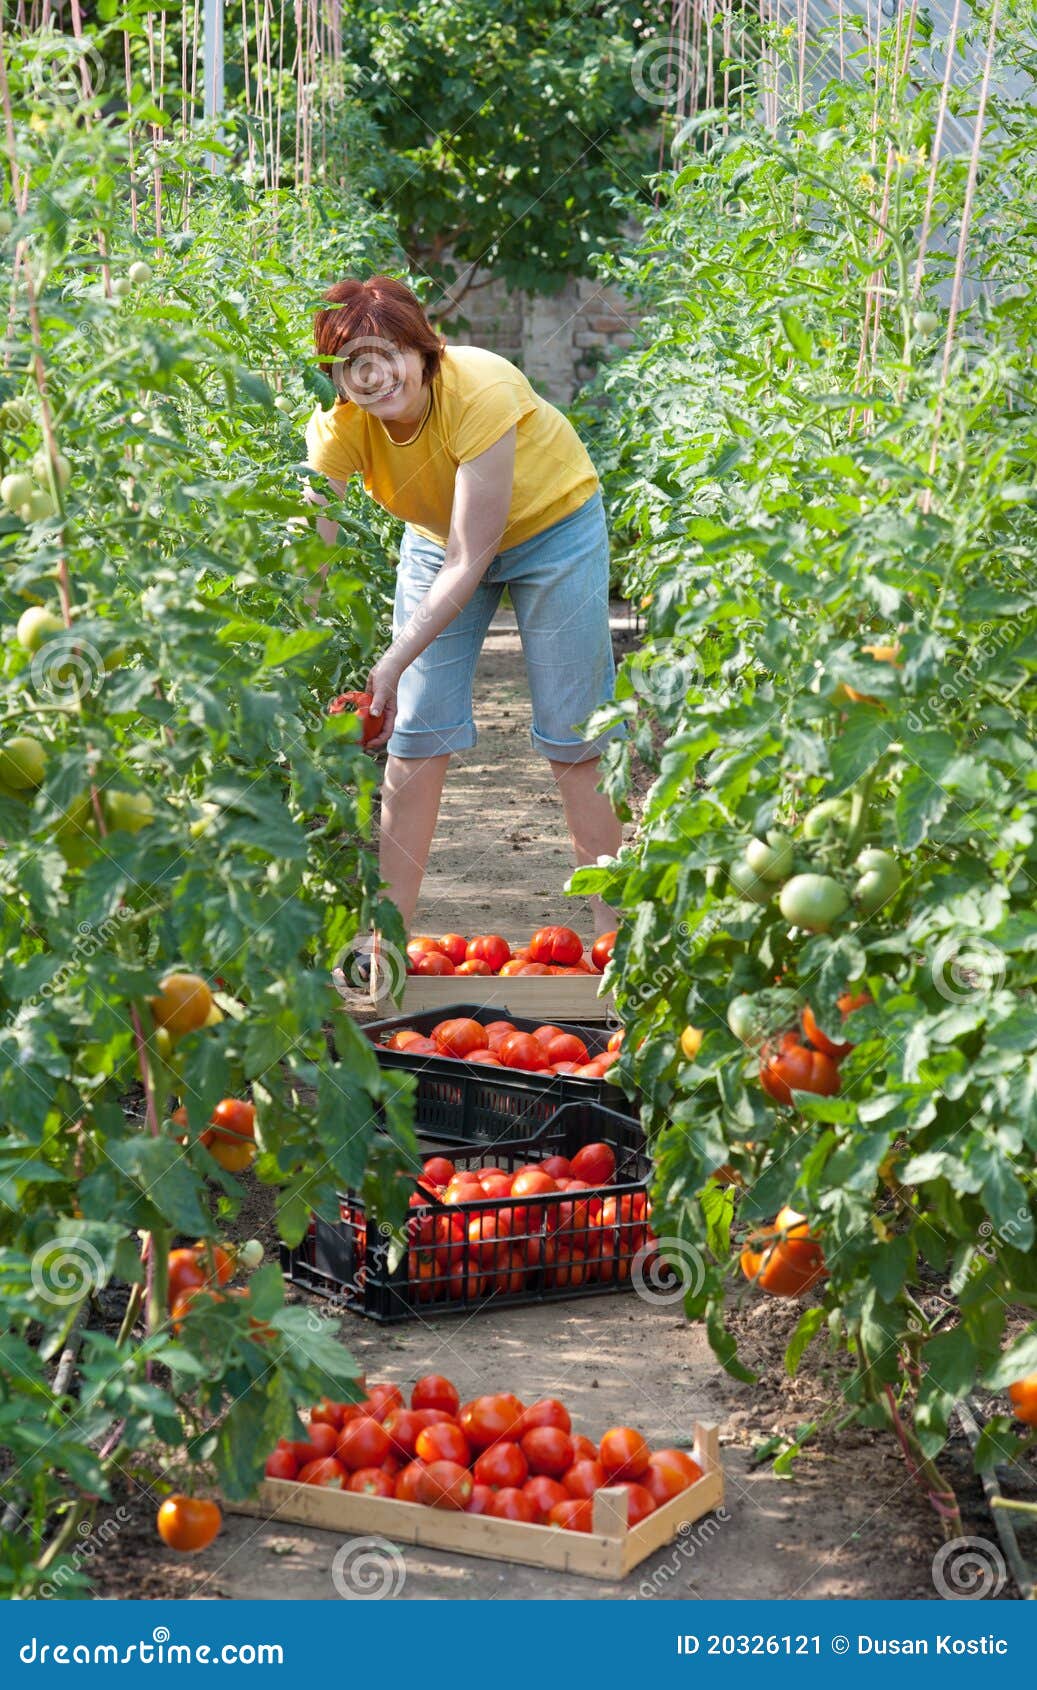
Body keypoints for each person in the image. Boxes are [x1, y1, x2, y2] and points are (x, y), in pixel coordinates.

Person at [302, 273, 622, 940]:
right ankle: (385, 944)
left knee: (573, 734)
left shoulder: (479, 387)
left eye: (387, 352)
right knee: (414, 734)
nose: (374, 375)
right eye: (352, 363)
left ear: (422, 350)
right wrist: (300, 649)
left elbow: (470, 559)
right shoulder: (339, 430)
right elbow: (311, 560)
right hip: (434, 538)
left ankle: (618, 941)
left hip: (552, 529)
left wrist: (389, 662)